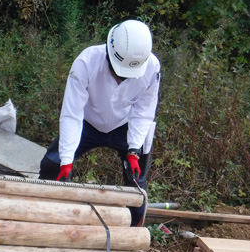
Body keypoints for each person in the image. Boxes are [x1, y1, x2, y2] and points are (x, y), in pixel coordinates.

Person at [39, 19, 161, 227]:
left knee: (137, 184)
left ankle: (131, 236)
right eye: (119, 72)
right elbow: (72, 114)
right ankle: (41, 216)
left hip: (125, 125)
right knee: (52, 164)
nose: (122, 78)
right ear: (110, 53)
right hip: (86, 123)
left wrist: (133, 150)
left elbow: (143, 112)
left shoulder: (151, 68)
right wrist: (66, 160)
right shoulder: (86, 62)